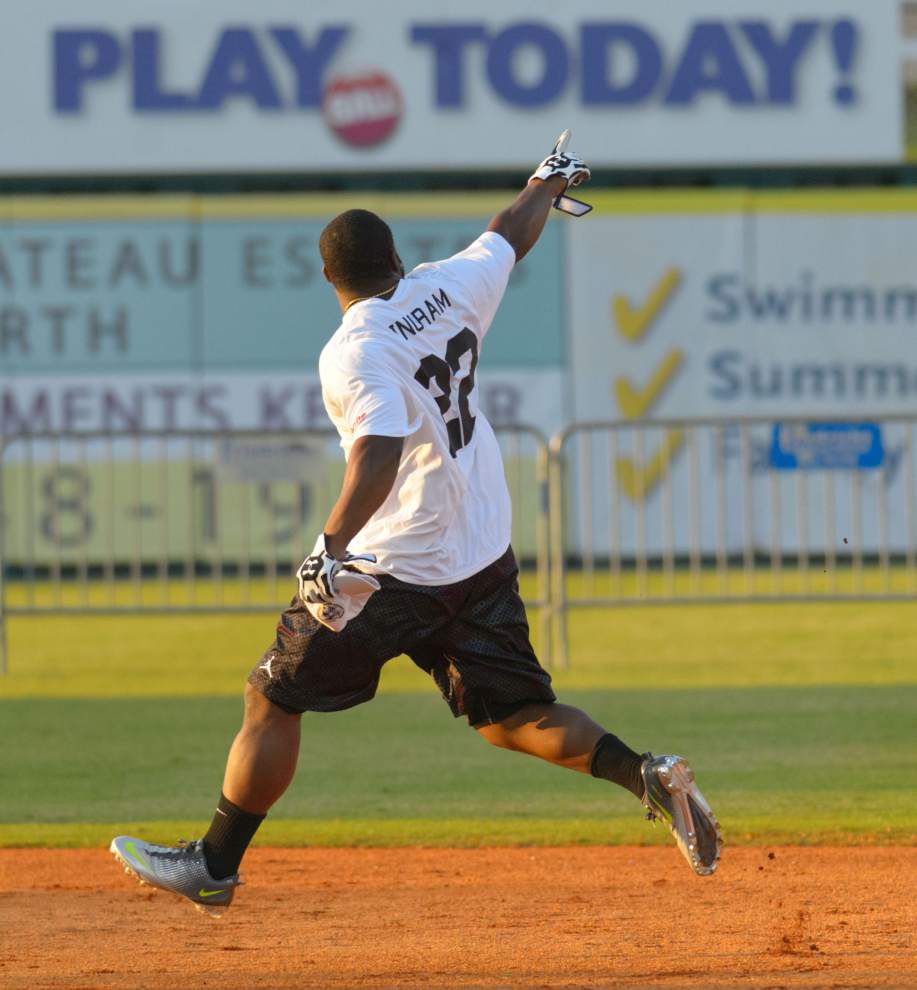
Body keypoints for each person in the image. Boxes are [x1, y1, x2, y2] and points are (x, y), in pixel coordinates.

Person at [111, 139, 722, 917]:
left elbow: (377, 455)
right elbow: (510, 229)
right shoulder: (449, 286)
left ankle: (215, 865)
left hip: (393, 566)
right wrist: (546, 181)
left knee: (272, 697)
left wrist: (326, 552)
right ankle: (644, 774)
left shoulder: (354, 348)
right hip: (479, 547)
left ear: (328, 278)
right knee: (511, 716)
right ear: (396, 260)